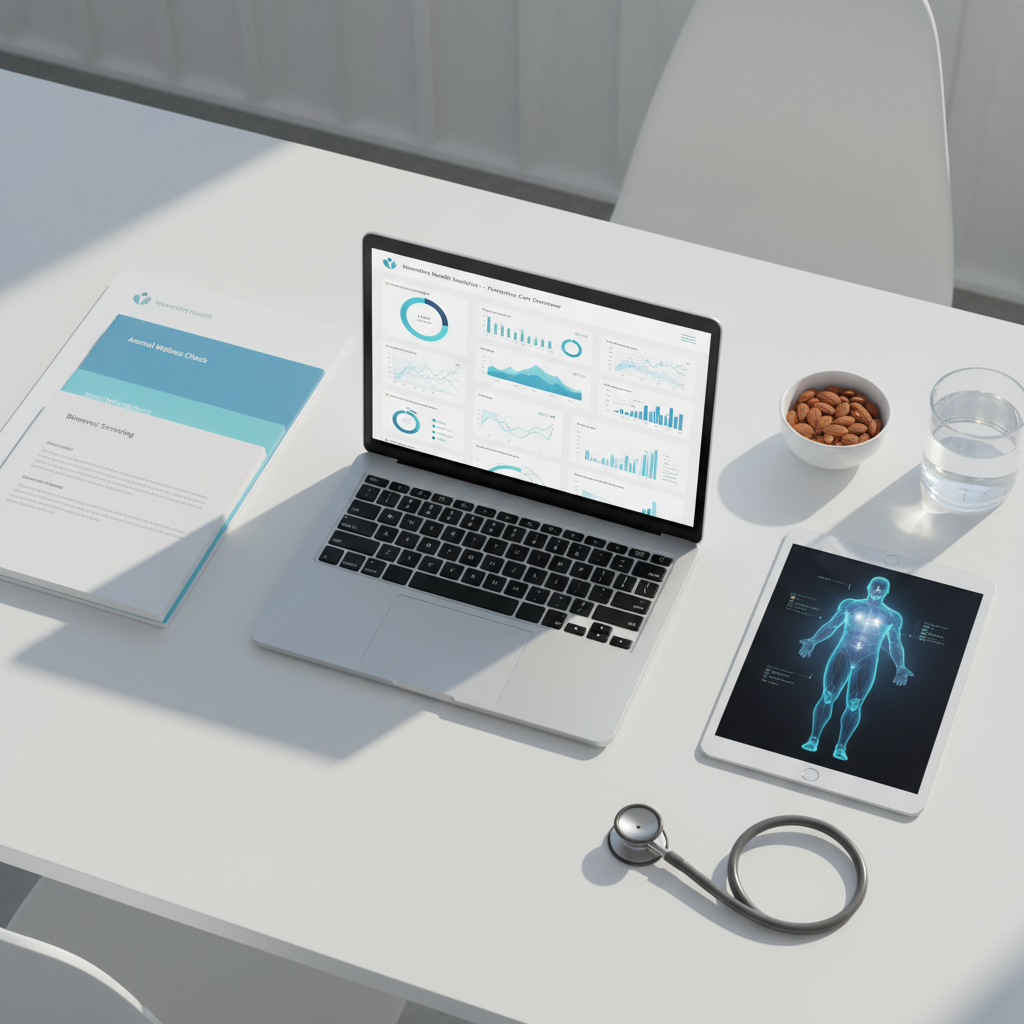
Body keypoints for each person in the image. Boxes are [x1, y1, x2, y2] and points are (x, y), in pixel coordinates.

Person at [798, 577, 913, 760]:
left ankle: (841, 747)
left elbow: (895, 643)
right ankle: (813, 739)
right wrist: (813, 640)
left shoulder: (892, 616)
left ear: (887, 591)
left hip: (867, 659)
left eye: (881, 588)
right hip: (843, 653)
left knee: (854, 703)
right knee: (828, 695)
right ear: (868, 586)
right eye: (874, 587)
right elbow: (831, 625)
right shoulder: (850, 604)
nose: (877, 591)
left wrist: (900, 665)